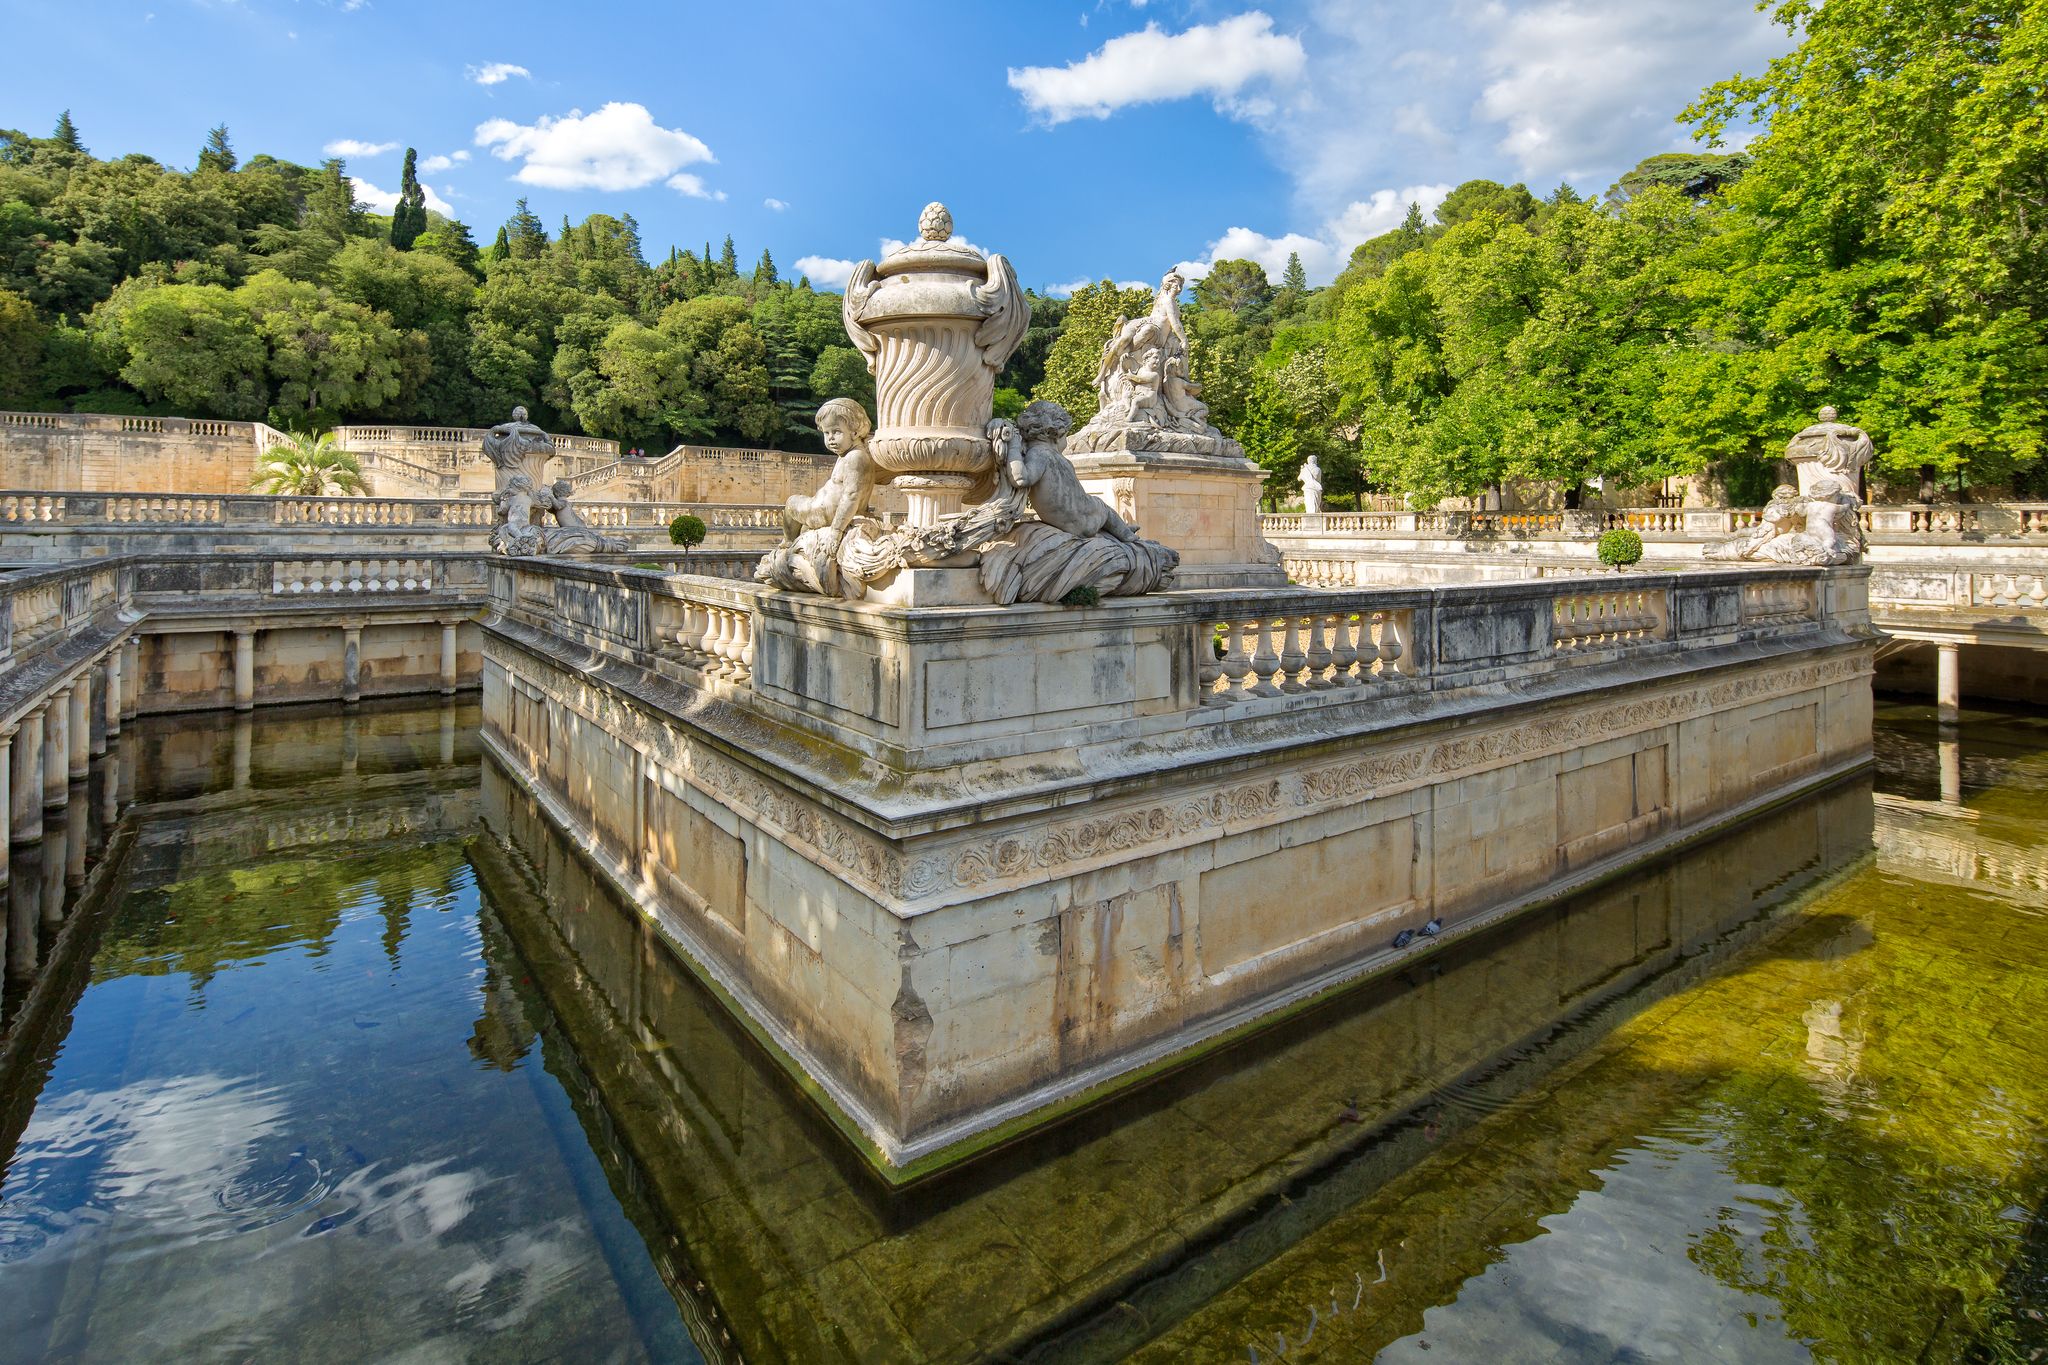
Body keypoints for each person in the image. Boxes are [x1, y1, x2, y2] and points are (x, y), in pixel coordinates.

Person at [997, 401, 1137, 542]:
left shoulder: (1041, 456)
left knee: (1098, 506)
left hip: (1073, 524)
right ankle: (1126, 534)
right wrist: (1014, 446)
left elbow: (1021, 478)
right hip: (1084, 522)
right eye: (1066, 436)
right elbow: (1020, 479)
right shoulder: (1043, 455)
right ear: (1057, 435)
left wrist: (1013, 448)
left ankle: (1124, 531)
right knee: (1102, 507)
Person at [780, 399, 879, 542]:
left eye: (836, 431)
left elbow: (852, 495)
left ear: (855, 432)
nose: (830, 438)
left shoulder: (855, 457)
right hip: (825, 512)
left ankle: (787, 545)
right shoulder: (850, 454)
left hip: (826, 514)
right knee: (804, 529)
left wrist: (836, 530)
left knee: (791, 503)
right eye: (826, 433)